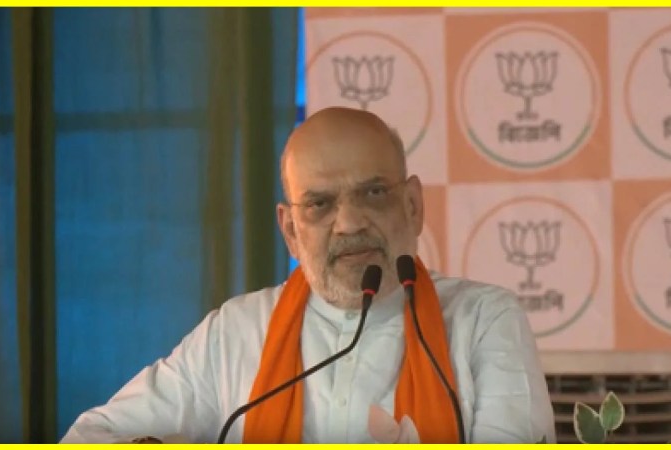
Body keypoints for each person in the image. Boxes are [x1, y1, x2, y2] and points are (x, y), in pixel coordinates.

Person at [60, 107, 556, 444]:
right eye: (320, 204)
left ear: (412, 206)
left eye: (373, 193)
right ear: (291, 230)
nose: (350, 223)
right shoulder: (235, 332)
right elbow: (92, 436)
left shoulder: (483, 321)